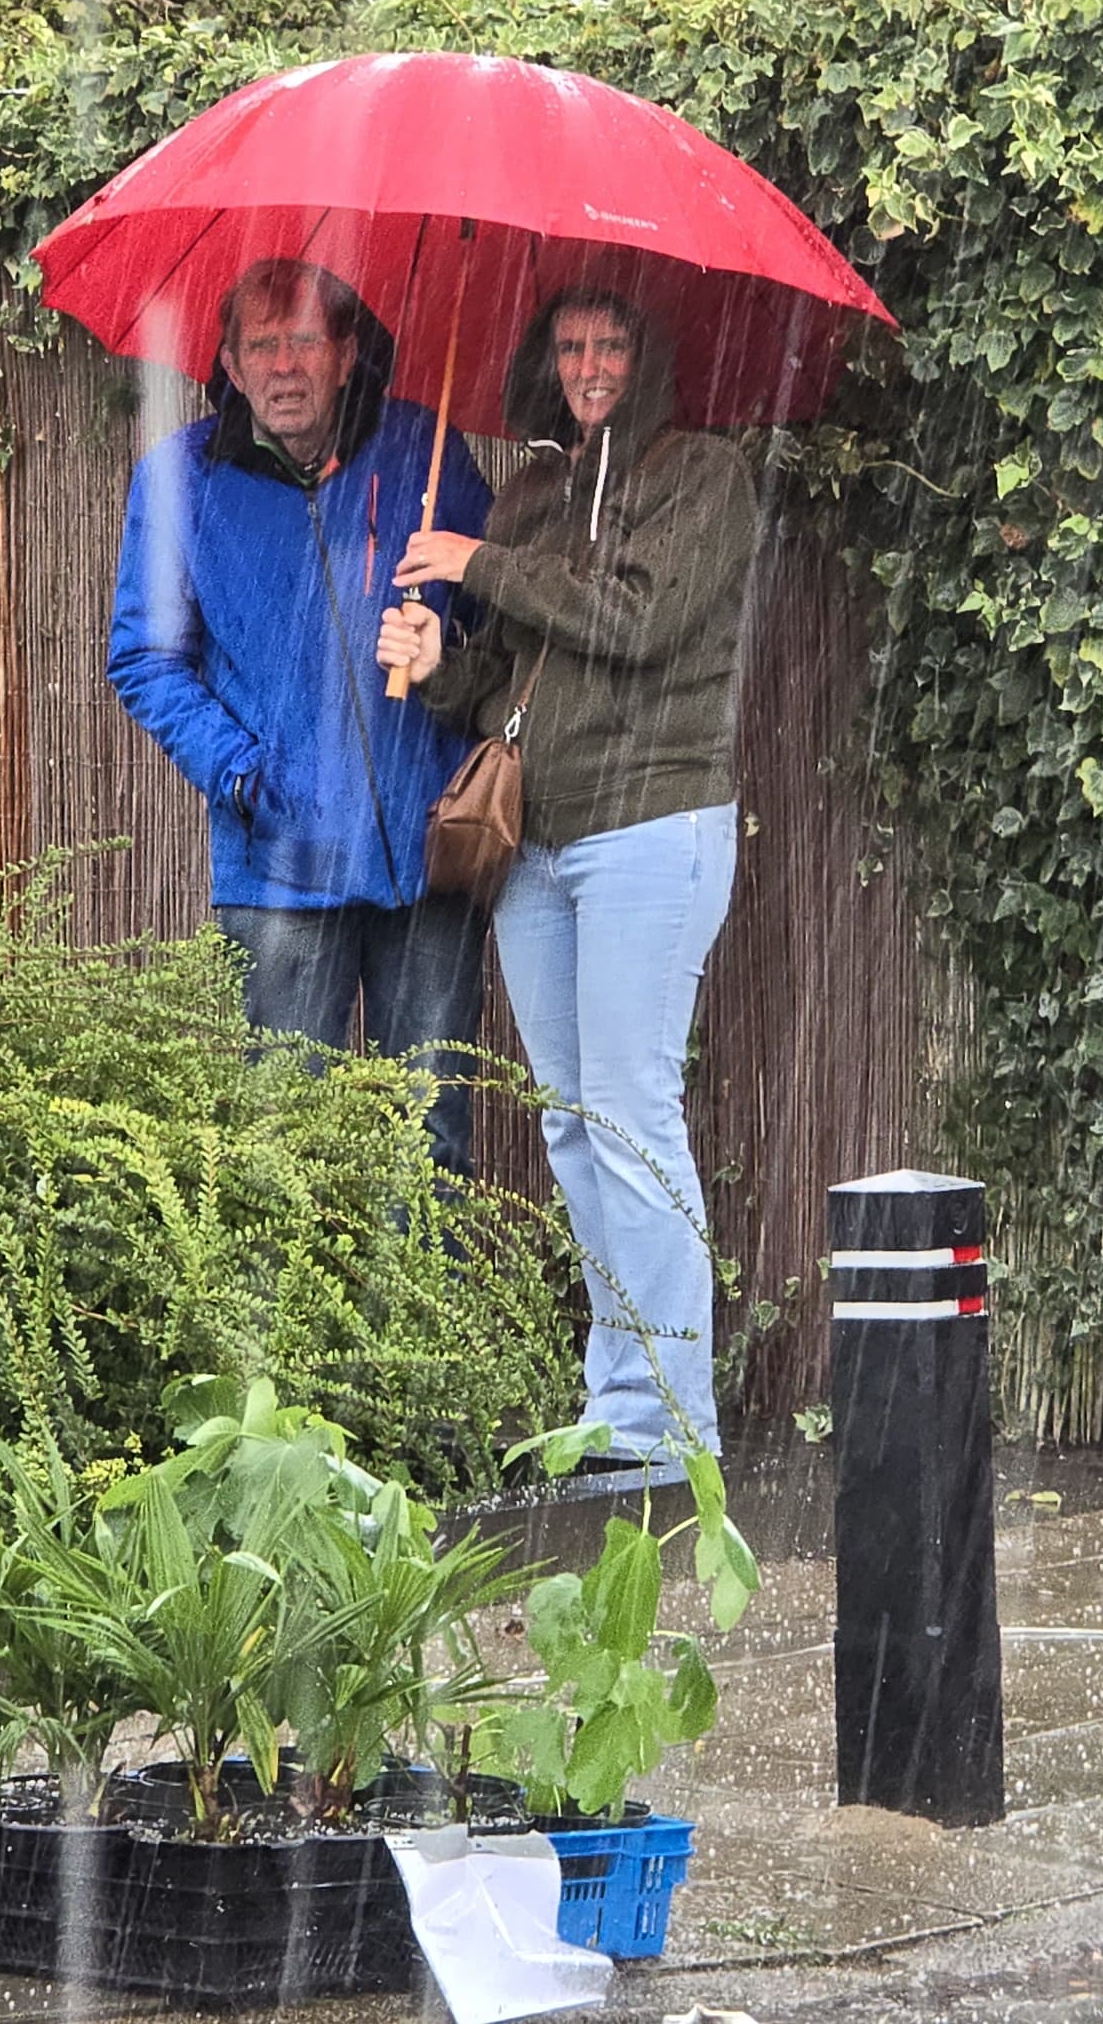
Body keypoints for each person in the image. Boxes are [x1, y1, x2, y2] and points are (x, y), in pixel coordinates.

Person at [380, 289, 756, 1460]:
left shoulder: (706, 477)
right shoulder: (540, 486)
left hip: (652, 827)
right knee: (571, 1131)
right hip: (532, 842)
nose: (590, 364)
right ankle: (620, 1403)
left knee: (630, 1115)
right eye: (571, 344)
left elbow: (637, 621)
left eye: (612, 342)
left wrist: (480, 558)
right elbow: (506, 677)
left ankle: (671, 1421)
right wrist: (439, 661)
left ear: (649, 353)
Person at [110, 259, 494, 1174]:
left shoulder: (422, 454)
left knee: (431, 1138)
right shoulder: (182, 480)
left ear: (347, 352)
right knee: (281, 1145)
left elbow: (498, 627)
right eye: (261, 346)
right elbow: (145, 658)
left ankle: (424, 1320)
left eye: (306, 342)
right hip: (280, 862)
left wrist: (446, 643)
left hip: (426, 853)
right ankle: (290, 1326)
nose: (285, 366)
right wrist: (241, 770)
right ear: (231, 367)